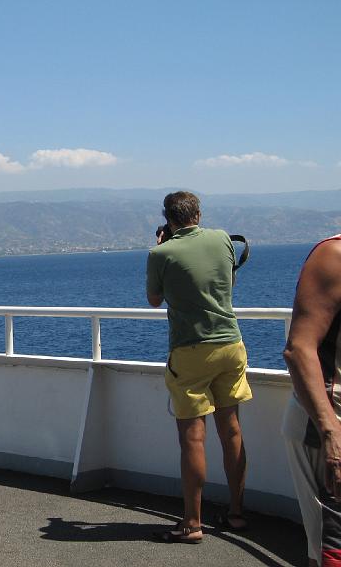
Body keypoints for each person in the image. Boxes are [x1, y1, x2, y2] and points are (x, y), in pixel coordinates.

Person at [146, 190, 253, 543]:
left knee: (193, 437)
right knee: (231, 431)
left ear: (169, 219)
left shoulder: (161, 252)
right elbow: (228, 282)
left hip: (190, 351)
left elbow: (154, 299)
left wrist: (163, 245)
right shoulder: (223, 239)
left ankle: (192, 524)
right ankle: (236, 514)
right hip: (231, 344)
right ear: (198, 214)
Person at [282, 235, 341, 567]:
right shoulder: (333, 256)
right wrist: (330, 433)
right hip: (329, 431)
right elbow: (299, 349)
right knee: (333, 555)